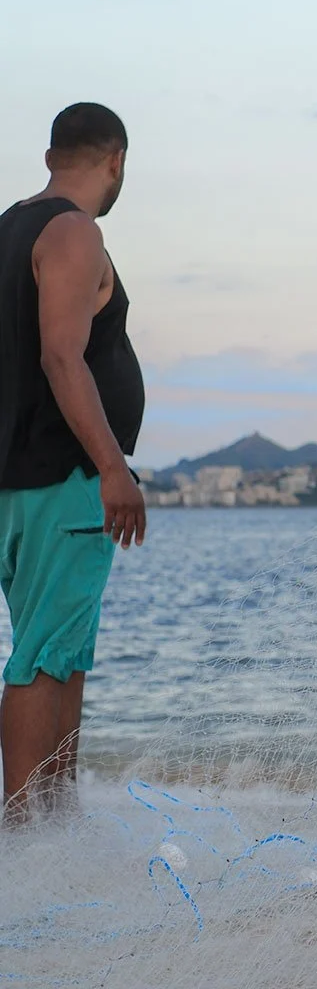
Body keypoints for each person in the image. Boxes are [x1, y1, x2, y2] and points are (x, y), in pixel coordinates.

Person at [0, 102, 146, 827]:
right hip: (63, 478)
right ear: (115, 160)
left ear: (52, 154)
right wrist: (112, 467)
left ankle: (58, 822)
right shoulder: (74, 231)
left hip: (19, 479)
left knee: (63, 650)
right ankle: (26, 835)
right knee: (43, 654)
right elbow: (63, 356)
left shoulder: (9, 227)